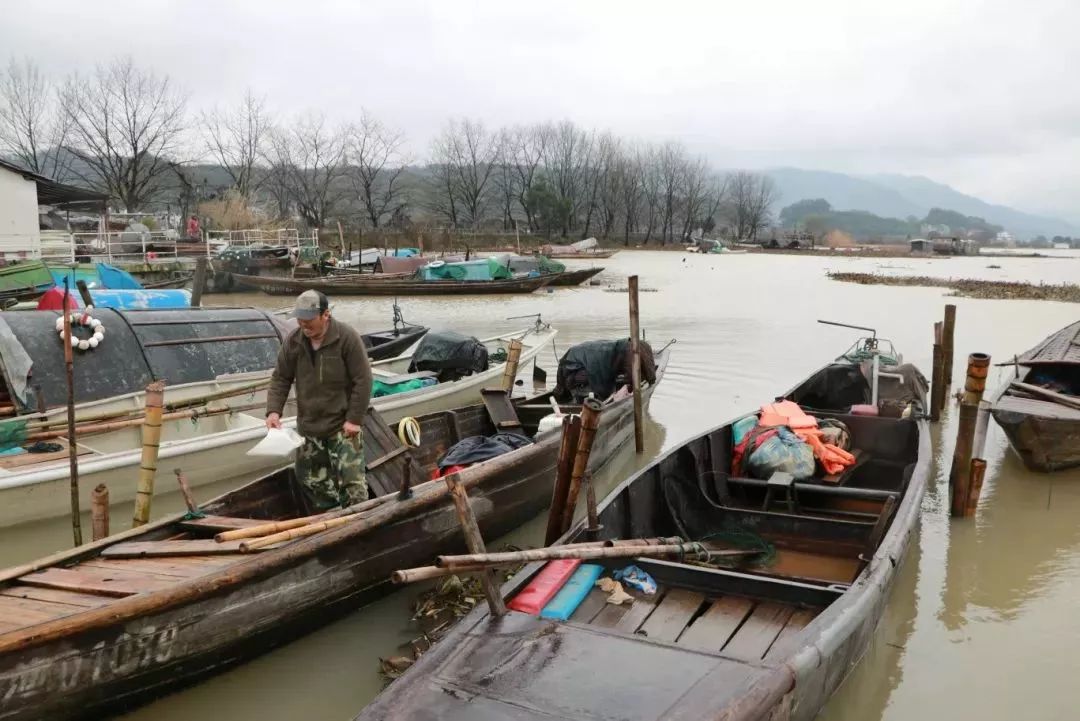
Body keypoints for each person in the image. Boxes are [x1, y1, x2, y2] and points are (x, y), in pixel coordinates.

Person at [265, 290, 373, 511]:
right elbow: (281, 378)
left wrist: (354, 419)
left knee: (352, 484)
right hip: (309, 426)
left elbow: (363, 380)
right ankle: (332, 519)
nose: (304, 326)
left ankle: (359, 523)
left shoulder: (346, 337)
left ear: (325, 315)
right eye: (300, 320)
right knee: (309, 480)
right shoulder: (293, 342)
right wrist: (273, 412)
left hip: (342, 426)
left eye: (309, 321)